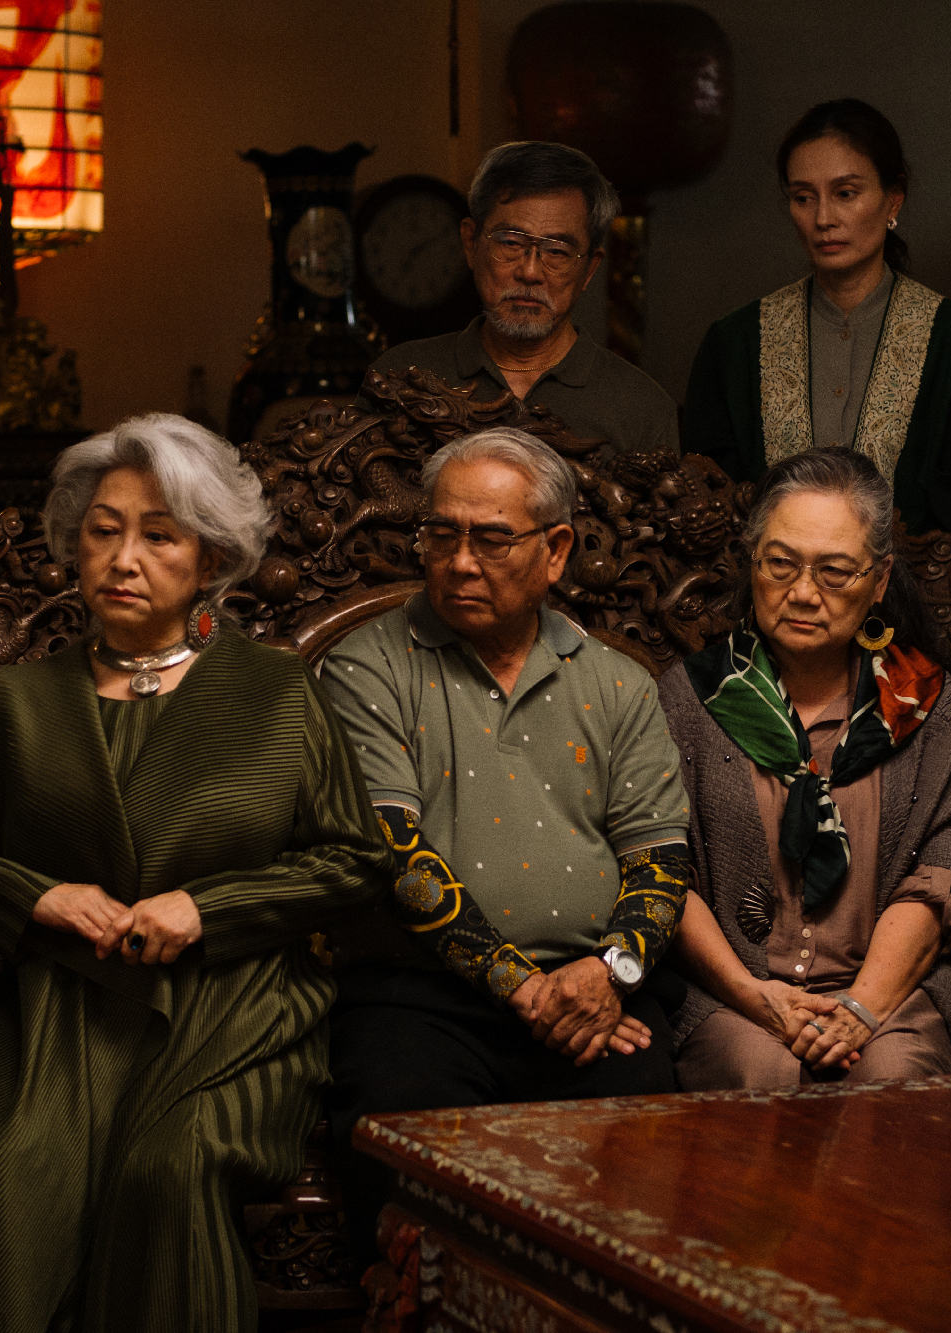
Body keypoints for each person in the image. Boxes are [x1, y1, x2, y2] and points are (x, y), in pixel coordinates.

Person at [0, 414, 392, 1332]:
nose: (123, 558)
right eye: (104, 531)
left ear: (211, 556)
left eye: (159, 535)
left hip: (235, 1001)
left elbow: (358, 860)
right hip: (56, 1009)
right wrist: (36, 896)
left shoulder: (272, 692)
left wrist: (207, 908)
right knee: (6, 1159)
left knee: (170, 1169)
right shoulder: (25, 701)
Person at [319, 426, 691, 1261]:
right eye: (440, 535)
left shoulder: (619, 683)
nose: (457, 561)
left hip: (599, 998)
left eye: (490, 539)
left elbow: (660, 859)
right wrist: (524, 988)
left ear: (556, 550)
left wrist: (611, 973)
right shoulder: (365, 667)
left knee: (638, 1180)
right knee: (406, 1153)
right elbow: (396, 853)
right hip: (417, 999)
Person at [659, 447, 951, 1087]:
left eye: (835, 572)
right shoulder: (690, 697)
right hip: (734, 993)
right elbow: (665, 870)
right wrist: (758, 999)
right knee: (760, 1070)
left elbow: (937, 875)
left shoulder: (925, 701)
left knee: (894, 1077)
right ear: (751, 564)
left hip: (886, 997)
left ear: (880, 579)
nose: (803, 593)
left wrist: (861, 1008)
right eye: (780, 565)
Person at [681, 99, 951, 550]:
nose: (823, 219)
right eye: (803, 197)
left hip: (908, 610)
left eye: (846, 193)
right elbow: (708, 508)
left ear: (894, 198)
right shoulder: (734, 343)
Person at [370, 141, 679, 456]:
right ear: (470, 243)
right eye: (510, 243)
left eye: (557, 251)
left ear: (589, 269)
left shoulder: (642, 408)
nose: (530, 272)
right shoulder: (400, 378)